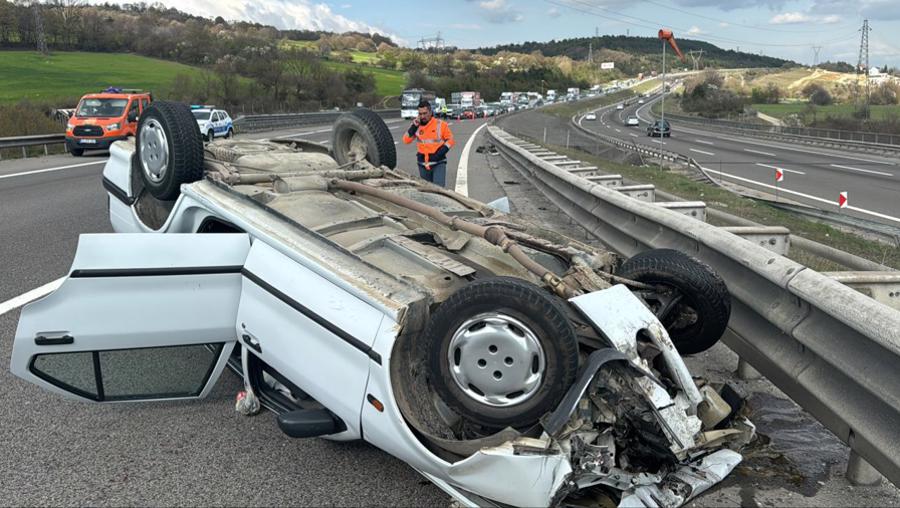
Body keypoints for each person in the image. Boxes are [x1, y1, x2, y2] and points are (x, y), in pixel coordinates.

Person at [402, 99, 455, 187]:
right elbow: (406, 140)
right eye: (420, 114)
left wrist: (440, 153)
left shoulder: (440, 124)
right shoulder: (416, 125)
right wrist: (413, 127)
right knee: (427, 193)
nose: (422, 116)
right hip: (422, 164)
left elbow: (450, 140)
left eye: (425, 113)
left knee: (439, 191)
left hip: (438, 162)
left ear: (430, 112)